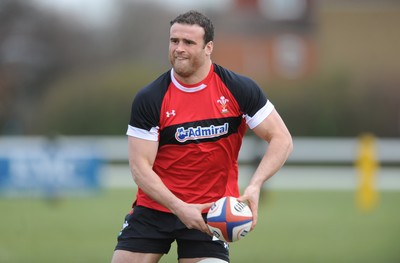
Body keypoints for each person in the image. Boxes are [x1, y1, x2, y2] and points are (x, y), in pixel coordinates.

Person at [111, 10, 293, 263]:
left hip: (212, 213)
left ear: (208, 47)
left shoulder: (238, 89)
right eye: (174, 41)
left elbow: (281, 138)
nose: (179, 49)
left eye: (188, 42)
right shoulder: (150, 98)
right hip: (155, 208)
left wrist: (255, 185)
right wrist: (179, 207)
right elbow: (140, 168)